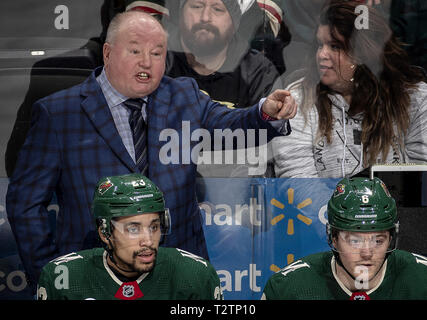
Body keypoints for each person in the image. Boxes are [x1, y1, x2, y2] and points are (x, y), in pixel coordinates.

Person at [6, 10, 297, 292]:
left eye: (157, 53)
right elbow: (26, 205)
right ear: (107, 53)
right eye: (135, 51)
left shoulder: (183, 95)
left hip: (177, 277)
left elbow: (231, 125)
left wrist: (265, 113)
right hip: (94, 279)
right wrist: (54, 275)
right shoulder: (59, 114)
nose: (146, 62)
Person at [271, 1, 427, 178]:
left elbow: (420, 183)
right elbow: (298, 183)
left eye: (335, 46)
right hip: (322, 206)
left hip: (396, 206)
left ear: (364, 52)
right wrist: (342, 206)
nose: (322, 54)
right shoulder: (298, 101)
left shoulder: (415, 99)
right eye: (320, 45)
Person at [37, 173, 223, 300]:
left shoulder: (196, 275)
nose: (148, 241)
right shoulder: (62, 277)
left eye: (154, 227)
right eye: (133, 229)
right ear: (104, 232)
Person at [262, 176, 427, 300]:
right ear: (333, 238)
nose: (367, 253)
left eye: (378, 241)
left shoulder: (421, 279)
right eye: (355, 240)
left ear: (391, 238)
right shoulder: (287, 288)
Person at [165, 0, 281, 108]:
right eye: (197, 6)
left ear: (234, 24)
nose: (205, 17)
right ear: (181, 15)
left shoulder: (258, 74)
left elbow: (266, 126)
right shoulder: (156, 56)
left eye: (217, 9)